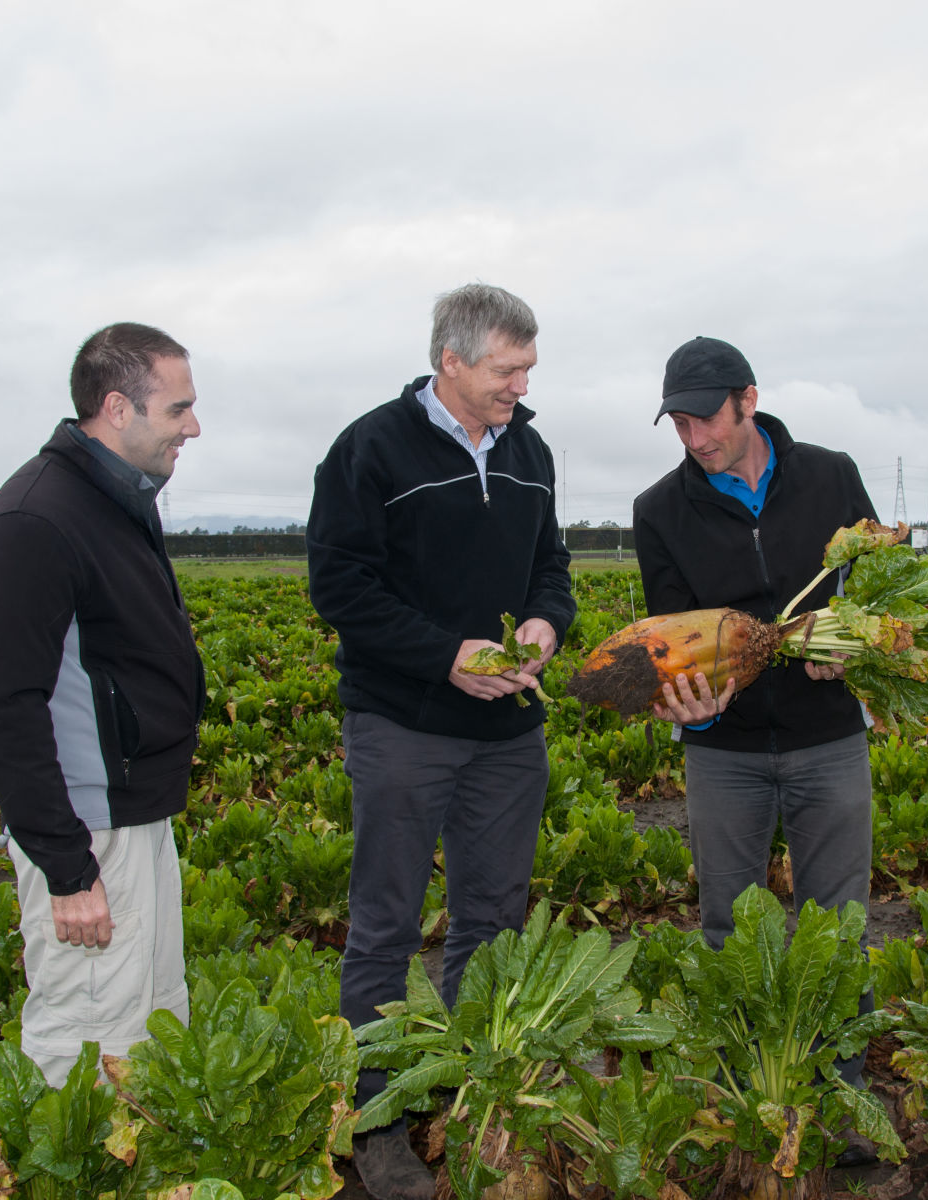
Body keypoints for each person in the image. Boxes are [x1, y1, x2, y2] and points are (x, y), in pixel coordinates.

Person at [307, 284, 575, 1200]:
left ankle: (468, 1094)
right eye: (508, 369)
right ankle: (376, 1119)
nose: (522, 384)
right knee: (384, 926)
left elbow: (553, 564)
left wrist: (545, 623)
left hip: (507, 731)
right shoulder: (370, 449)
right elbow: (340, 587)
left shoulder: (530, 447)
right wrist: (443, 657)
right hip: (403, 725)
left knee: (491, 921)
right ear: (450, 362)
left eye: (528, 367)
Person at [632, 336, 883, 1158]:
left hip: (828, 737)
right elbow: (670, 637)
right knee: (727, 927)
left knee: (836, 925)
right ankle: (747, 1094)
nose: (693, 439)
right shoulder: (659, 510)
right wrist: (691, 710)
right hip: (724, 751)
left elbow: (874, 585)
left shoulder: (830, 475)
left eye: (704, 418)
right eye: (678, 424)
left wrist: (856, 644)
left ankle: (840, 1095)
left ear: (747, 399)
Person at [0, 322, 204, 1087]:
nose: (193, 427)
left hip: (135, 816)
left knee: (152, 1019)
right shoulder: (34, 521)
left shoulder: (115, 498)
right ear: (116, 409)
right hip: (88, 832)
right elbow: (11, 708)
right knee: (88, 1042)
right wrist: (66, 870)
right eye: (178, 409)